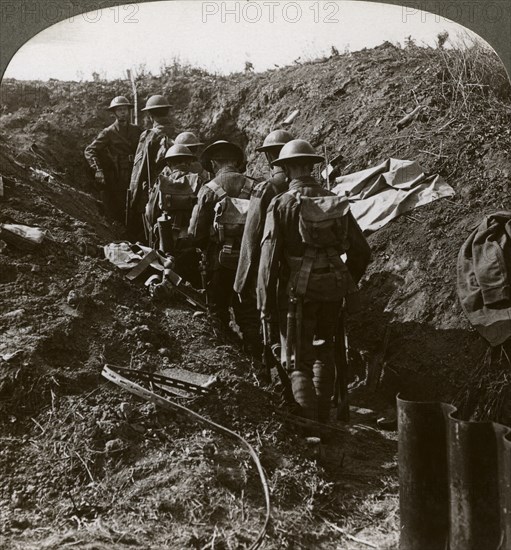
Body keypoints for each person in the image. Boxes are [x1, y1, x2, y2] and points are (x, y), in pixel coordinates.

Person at [257, 139, 371, 425]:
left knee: (298, 357)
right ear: (311, 166)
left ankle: (310, 427)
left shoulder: (280, 204)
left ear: (287, 170)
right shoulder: (333, 200)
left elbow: (268, 261)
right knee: (324, 349)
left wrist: (265, 304)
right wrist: (343, 281)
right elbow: (361, 252)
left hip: (297, 294)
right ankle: (324, 420)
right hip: (332, 291)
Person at [188, 140, 261, 361]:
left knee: (217, 310)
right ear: (237, 162)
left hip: (219, 261)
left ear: (213, 163)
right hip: (251, 261)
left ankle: (230, 358)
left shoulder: (209, 189)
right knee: (249, 313)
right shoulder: (256, 186)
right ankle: (258, 359)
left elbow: (195, 231)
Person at [84, 96, 141, 224]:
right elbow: (90, 150)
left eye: (125, 109)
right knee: (121, 204)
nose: (123, 112)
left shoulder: (137, 130)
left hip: (137, 171)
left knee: (138, 202)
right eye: (119, 110)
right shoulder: (108, 132)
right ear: (114, 113)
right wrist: (97, 169)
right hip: (119, 174)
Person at [127, 95, 176, 243]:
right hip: (178, 191)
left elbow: (139, 170)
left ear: (150, 115)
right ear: (167, 112)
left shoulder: (149, 136)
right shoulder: (179, 135)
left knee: (151, 235)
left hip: (153, 193)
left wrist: (133, 200)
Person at [154, 143, 202, 287]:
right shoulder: (198, 180)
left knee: (168, 265)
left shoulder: (161, 181)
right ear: (189, 161)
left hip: (167, 232)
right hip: (189, 234)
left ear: (169, 163)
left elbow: (151, 211)